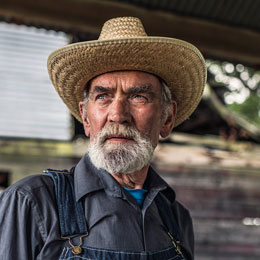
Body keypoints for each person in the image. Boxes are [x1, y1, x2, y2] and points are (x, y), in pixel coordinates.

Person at [0, 17, 206, 260]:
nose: (118, 115)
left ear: (167, 118)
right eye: (103, 97)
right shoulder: (32, 201)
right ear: (86, 119)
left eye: (138, 96)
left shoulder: (175, 217)